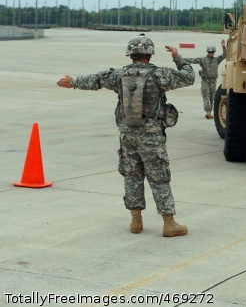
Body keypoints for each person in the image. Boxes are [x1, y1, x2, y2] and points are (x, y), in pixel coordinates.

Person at [56, 35, 194, 237]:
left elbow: (95, 80)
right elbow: (188, 77)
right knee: (159, 177)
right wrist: (177, 57)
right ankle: (169, 223)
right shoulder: (160, 75)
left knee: (132, 175)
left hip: (127, 133)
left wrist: (73, 81)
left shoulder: (119, 75)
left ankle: (136, 221)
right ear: (149, 54)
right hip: (151, 135)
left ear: (130, 54)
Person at [182, 39, 226, 119]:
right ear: (207, 52)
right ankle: (208, 112)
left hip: (213, 81)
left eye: (212, 52)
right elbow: (193, 60)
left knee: (212, 97)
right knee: (206, 96)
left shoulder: (216, 60)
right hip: (205, 80)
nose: (211, 54)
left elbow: (225, 55)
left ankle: (210, 112)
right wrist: (181, 59)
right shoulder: (203, 60)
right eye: (209, 52)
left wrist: (223, 46)